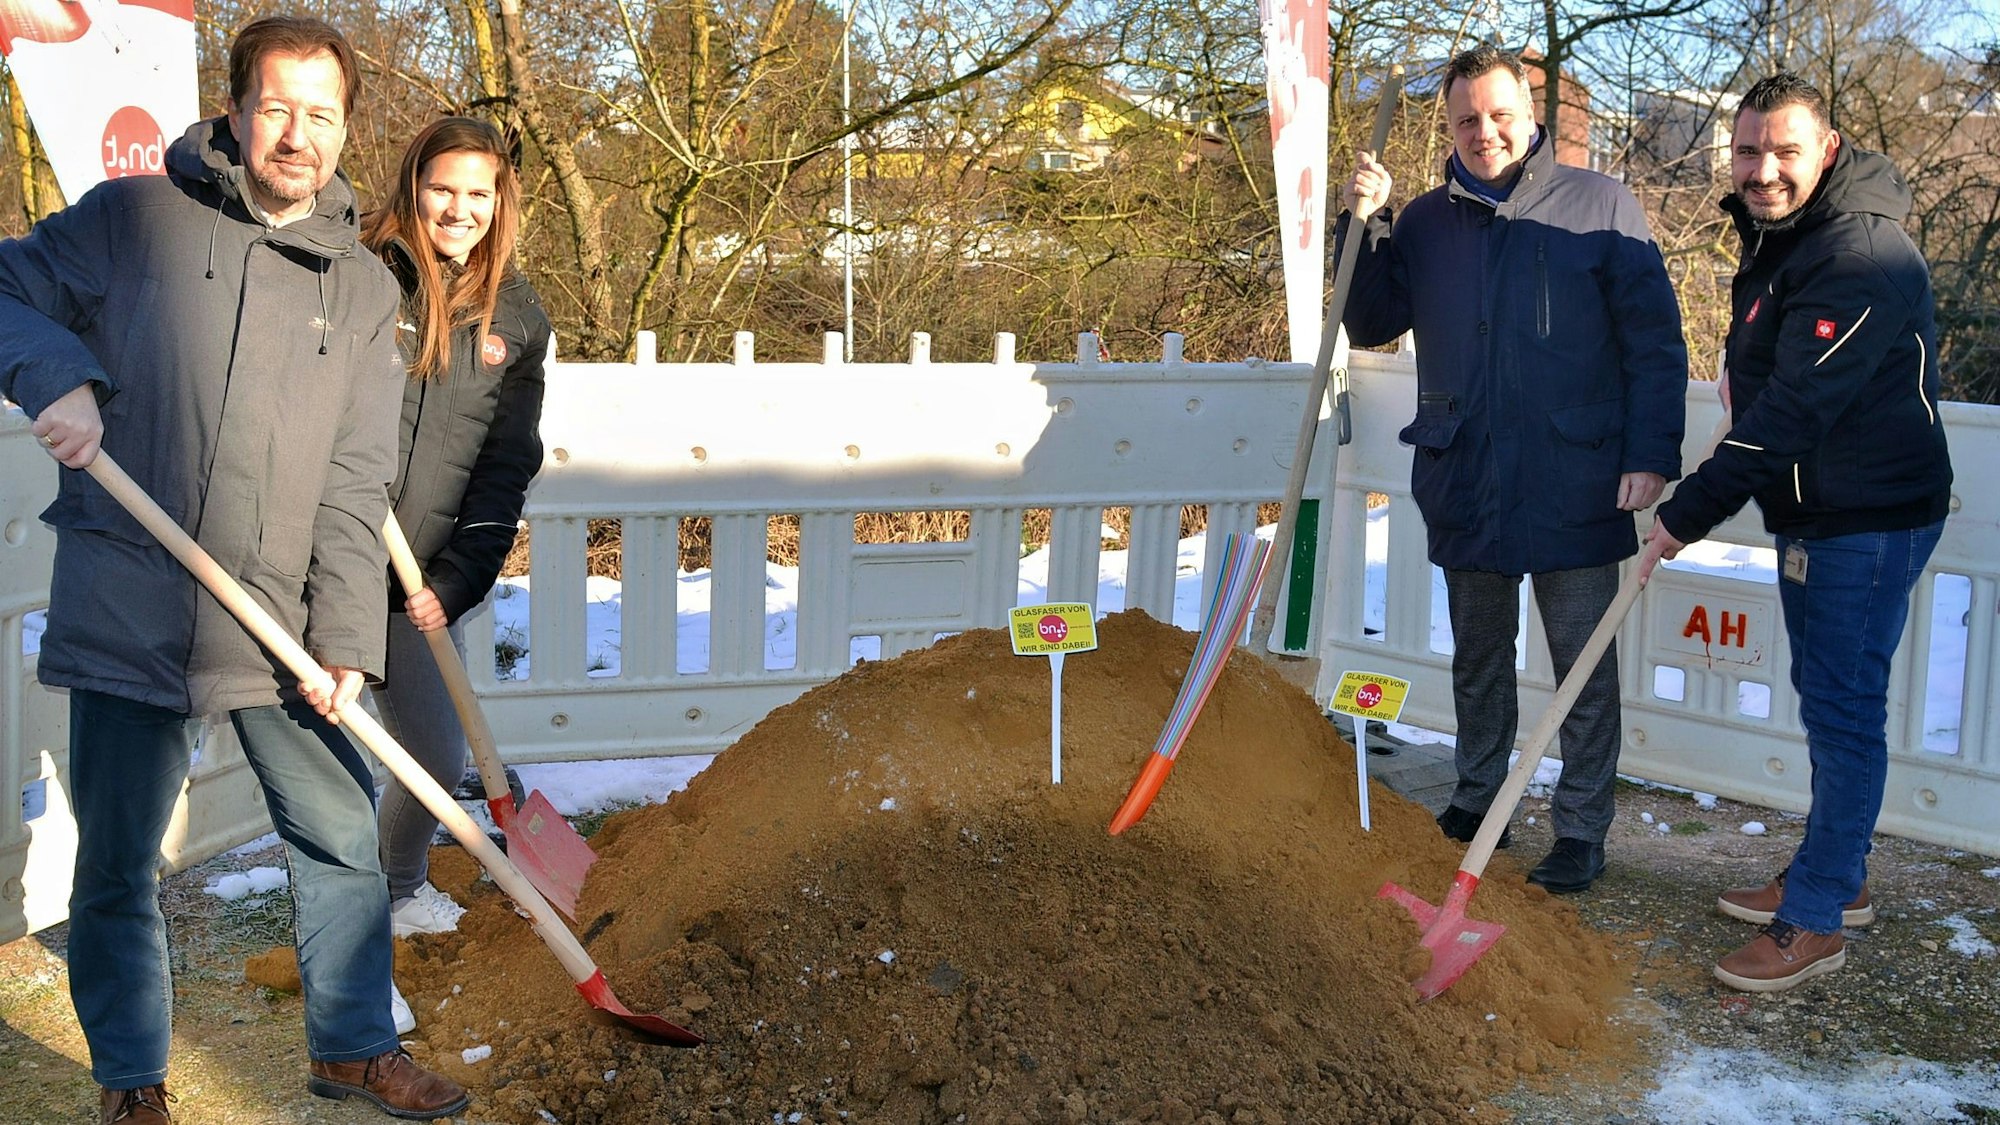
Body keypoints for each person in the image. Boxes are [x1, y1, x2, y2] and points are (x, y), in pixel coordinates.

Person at [0, 16, 468, 1122]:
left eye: (321, 114)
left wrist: (347, 644)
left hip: (278, 620)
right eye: (276, 106)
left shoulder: (361, 289)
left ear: (347, 129)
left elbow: (357, 485)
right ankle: (132, 1081)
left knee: (344, 834)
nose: (296, 133)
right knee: (118, 862)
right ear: (234, 112)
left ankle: (353, 1046)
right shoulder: (132, 223)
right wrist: (54, 375)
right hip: (135, 597)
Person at [1339, 45, 1688, 894]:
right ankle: (1476, 795)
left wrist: (1651, 455)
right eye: (1466, 119)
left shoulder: (1601, 205)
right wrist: (1363, 223)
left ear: (1532, 116)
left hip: (1577, 477)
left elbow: (1654, 340)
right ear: (1448, 125)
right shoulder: (1421, 221)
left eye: (1499, 116)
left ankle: (1580, 828)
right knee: (1479, 656)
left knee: (1582, 665)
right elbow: (1369, 320)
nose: (1484, 132)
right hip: (1466, 473)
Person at [1639, 72, 1953, 993]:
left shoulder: (1861, 252)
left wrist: (1685, 514)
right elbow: (1769, 383)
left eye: (1783, 149)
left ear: (1828, 147)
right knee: (1829, 700)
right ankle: (1837, 875)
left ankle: (1815, 918)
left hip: (1868, 515)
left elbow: (1794, 411)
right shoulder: (1788, 235)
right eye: (1746, 151)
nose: (1763, 169)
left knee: (1845, 709)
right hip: (1821, 508)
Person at [357, 118, 549, 1009]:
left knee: (430, 740)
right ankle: (389, 893)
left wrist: (458, 580)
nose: (459, 209)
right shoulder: (364, 272)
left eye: (480, 192)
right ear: (414, 183)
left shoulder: (517, 316)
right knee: (428, 745)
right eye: (443, 187)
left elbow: (505, 463)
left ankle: (390, 883)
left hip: (431, 572)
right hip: (344, 549)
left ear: (501, 201)